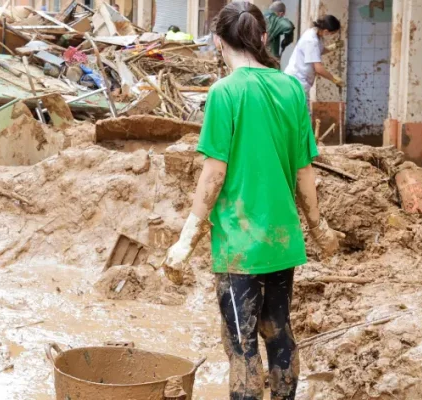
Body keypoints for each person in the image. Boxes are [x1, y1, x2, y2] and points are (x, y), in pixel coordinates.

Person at [160, 2, 344, 399]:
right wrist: (318, 227)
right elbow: (303, 172)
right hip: (281, 240)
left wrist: (186, 237)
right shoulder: (292, 89)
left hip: (238, 244)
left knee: (241, 346)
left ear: (217, 41)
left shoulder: (225, 93)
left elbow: (214, 173)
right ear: (263, 38)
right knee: (279, 334)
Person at [284, 14, 343, 109]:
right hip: (297, 81)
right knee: (301, 114)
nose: (331, 36)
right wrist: (333, 79)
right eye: (332, 34)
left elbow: (317, 51)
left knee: (300, 114)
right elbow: (318, 68)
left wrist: (332, 47)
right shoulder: (311, 40)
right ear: (326, 31)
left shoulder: (314, 33)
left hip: (300, 81)